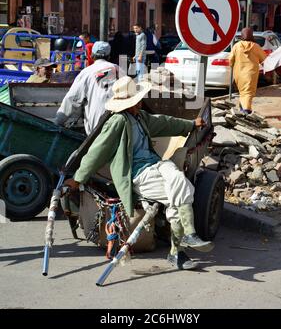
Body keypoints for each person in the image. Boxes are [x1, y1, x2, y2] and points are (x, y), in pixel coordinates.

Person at [65, 76, 214, 271]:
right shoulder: (117, 122)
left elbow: (164, 123)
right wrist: (77, 179)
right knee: (180, 193)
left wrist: (191, 125)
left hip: (157, 165)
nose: (140, 103)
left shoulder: (140, 117)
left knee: (179, 180)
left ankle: (188, 235)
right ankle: (178, 249)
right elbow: (96, 153)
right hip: (139, 174)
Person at [54, 41, 122, 134]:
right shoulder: (120, 71)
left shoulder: (87, 72)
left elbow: (72, 99)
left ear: (92, 55)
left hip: (97, 129)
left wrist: (58, 122)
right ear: (109, 56)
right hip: (121, 126)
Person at [229, 27, 267, 114]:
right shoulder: (256, 47)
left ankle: (242, 109)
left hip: (238, 73)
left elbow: (230, 60)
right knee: (248, 92)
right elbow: (264, 60)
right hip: (251, 74)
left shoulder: (237, 46)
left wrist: (234, 66)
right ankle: (247, 111)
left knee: (243, 92)